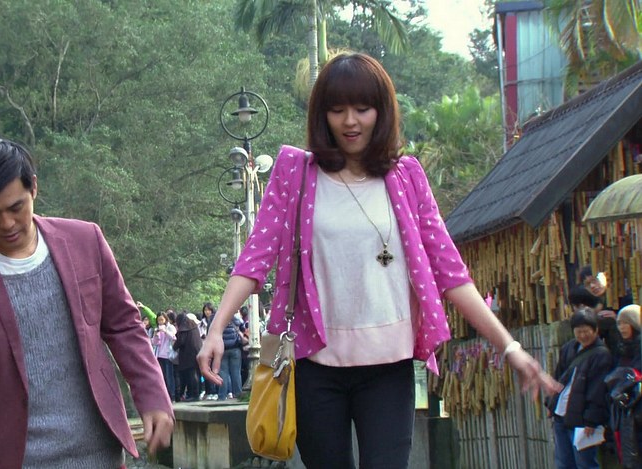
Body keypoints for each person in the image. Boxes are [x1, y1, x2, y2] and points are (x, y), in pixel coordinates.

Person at [197, 52, 560, 468]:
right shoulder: (295, 173)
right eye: (337, 110)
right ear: (322, 115)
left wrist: (509, 347)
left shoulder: (407, 177)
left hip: (389, 367)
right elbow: (255, 258)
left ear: (381, 111)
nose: (350, 121)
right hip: (315, 365)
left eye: (362, 109)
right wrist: (216, 328)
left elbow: (451, 273)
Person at [0, 138, 173, 469]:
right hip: (12, 459)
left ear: (33, 187)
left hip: (100, 454)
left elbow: (124, 325)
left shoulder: (85, 241)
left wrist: (152, 395)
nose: (7, 224)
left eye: (16, 207)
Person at [546, 308, 613, 469]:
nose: (583, 335)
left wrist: (591, 420)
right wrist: (551, 403)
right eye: (578, 331)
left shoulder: (601, 355)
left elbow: (598, 390)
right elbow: (558, 377)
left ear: (595, 330)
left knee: (585, 463)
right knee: (563, 463)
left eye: (586, 331)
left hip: (582, 420)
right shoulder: (568, 348)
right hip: (561, 414)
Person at [606, 304, 642, 467]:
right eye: (619, 323)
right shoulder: (620, 348)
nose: (621, 327)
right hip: (624, 412)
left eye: (625, 322)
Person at [173, 312, 203, 401]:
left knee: (191, 375)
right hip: (197, 352)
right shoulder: (193, 327)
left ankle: (194, 394)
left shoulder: (184, 329)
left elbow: (181, 341)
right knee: (195, 374)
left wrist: (174, 347)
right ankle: (195, 393)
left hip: (188, 355)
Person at [152, 312, 177, 401]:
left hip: (167, 355)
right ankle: (164, 395)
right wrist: (156, 334)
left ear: (166, 319)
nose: (160, 322)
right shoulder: (157, 329)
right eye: (159, 320)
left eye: (162, 320)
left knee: (169, 376)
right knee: (162, 376)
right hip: (159, 355)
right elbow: (154, 343)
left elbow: (173, 337)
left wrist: (165, 331)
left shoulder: (170, 327)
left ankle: (172, 395)